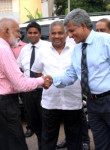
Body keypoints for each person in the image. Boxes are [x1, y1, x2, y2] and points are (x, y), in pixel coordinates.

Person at [0, 18, 52, 150]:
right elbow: (20, 84)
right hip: (4, 105)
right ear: (7, 30)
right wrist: (42, 80)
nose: (20, 35)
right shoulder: (3, 50)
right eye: (17, 31)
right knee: (16, 145)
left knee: (1, 144)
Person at [52, 8, 110, 150]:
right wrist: (48, 80)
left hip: (108, 100)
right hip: (92, 103)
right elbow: (71, 75)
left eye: (71, 31)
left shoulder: (106, 41)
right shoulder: (77, 50)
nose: (69, 35)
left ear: (83, 25)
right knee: (101, 144)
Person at [32, 21, 83, 150]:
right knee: (48, 140)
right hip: (50, 102)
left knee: (75, 139)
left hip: (72, 102)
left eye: (60, 33)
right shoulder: (43, 52)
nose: (57, 36)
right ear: (49, 35)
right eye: (53, 33)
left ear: (66, 34)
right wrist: (43, 82)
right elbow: (37, 71)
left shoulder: (76, 50)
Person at [17, 22, 50, 150]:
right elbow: (19, 68)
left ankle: (46, 146)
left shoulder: (47, 47)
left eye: (35, 32)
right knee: (34, 122)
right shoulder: (24, 49)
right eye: (30, 33)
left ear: (40, 34)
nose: (32, 35)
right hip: (29, 91)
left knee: (46, 122)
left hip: (44, 91)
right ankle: (41, 145)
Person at [57, 37, 90, 150]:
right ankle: (68, 139)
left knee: (80, 115)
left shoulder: (77, 44)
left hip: (76, 87)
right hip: (63, 87)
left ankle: (85, 141)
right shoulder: (63, 41)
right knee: (67, 117)